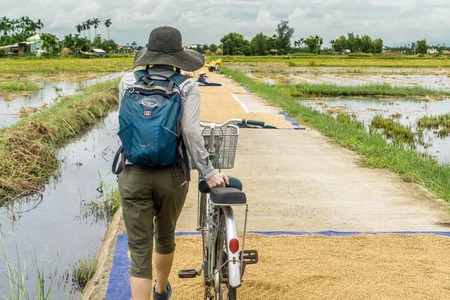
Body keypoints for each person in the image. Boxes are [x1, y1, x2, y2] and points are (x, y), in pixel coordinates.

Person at [118, 26, 229, 300]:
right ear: (178, 57)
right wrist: (208, 172)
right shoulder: (187, 85)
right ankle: (160, 290)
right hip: (172, 175)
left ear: (149, 53)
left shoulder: (126, 82)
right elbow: (191, 133)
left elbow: (125, 126)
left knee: (139, 248)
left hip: (132, 173)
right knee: (165, 235)